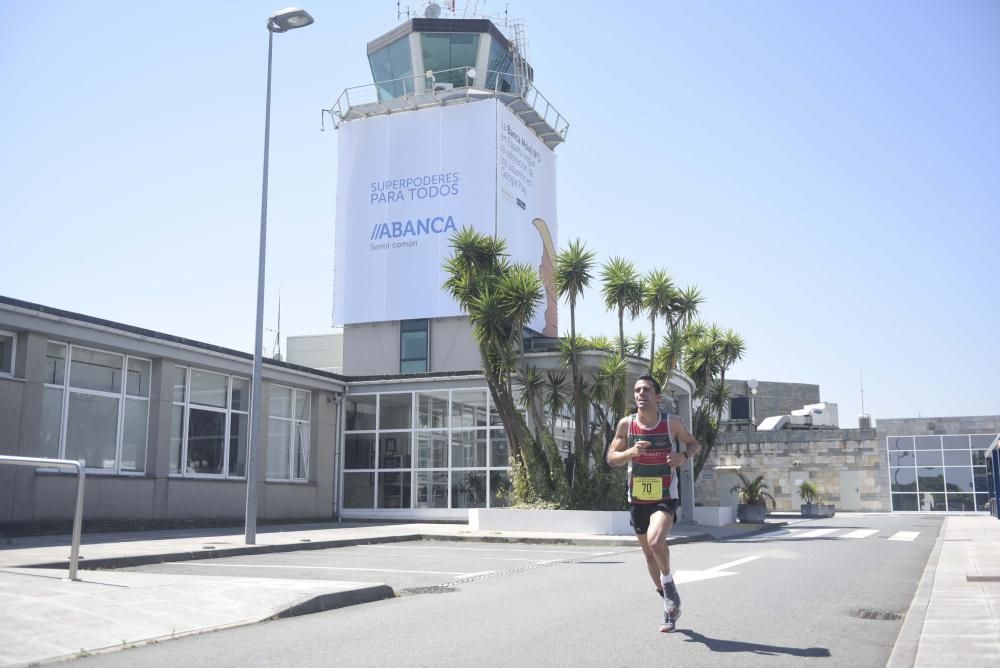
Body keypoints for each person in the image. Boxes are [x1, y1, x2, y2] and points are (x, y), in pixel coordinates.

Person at [607, 374, 701, 633]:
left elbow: (694, 445)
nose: (640, 394)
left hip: (664, 494)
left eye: (646, 390)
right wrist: (630, 453)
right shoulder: (626, 425)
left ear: (657, 397)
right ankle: (669, 605)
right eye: (637, 390)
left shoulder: (672, 423)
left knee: (655, 542)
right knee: (648, 554)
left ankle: (668, 585)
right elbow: (611, 458)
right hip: (637, 497)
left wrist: (683, 455)